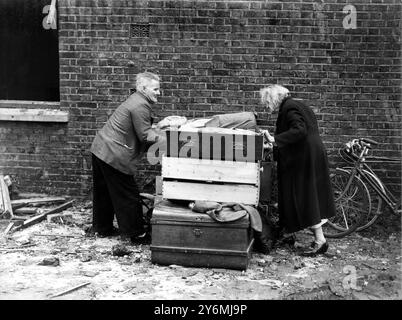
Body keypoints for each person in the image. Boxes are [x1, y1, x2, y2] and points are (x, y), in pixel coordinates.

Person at [259, 84, 336, 256]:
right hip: (309, 154)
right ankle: (290, 232)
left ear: (274, 98)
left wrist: (274, 139)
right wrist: (276, 145)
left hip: (304, 157)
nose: (266, 107)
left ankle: (320, 241)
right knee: (307, 196)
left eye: (266, 102)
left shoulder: (289, 107)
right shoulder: (297, 104)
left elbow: (299, 130)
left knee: (304, 197)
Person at [90, 71, 165, 244]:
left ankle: (102, 228)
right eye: (155, 89)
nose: (158, 93)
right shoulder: (140, 105)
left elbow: (141, 127)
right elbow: (145, 136)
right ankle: (136, 234)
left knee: (104, 193)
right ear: (144, 88)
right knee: (128, 195)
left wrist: (159, 127)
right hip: (114, 153)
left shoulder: (136, 100)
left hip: (101, 148)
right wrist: (173, 141)